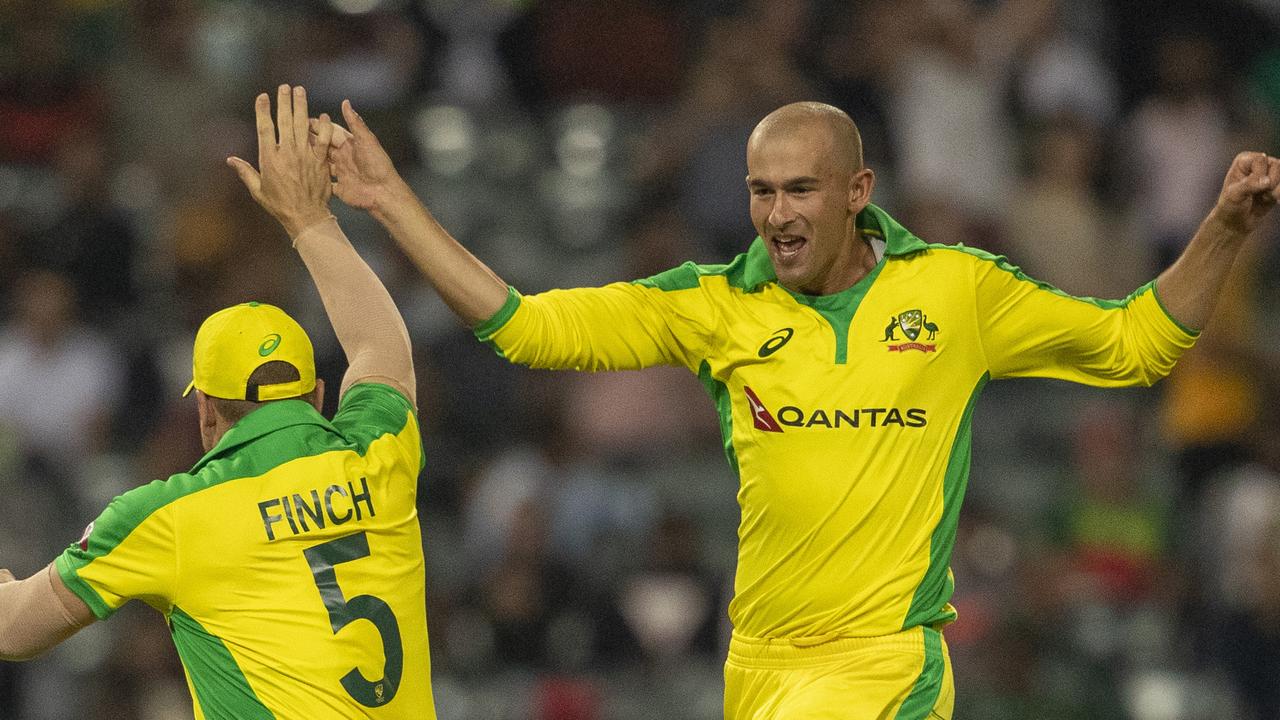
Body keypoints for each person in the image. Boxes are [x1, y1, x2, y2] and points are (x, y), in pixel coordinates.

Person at [321, 97, 1279, 718]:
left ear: (859, 192)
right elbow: (525, 328)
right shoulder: (716, 304)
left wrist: (1224, 229)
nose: (777, 214)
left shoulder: (956, 292)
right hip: (759, 668)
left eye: (802, 190)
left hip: (885, 664)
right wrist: (392, 203)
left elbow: (1138, 344)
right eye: (761, 191)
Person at [0, 85, 438, 719]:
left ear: (205, 409)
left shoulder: (170, 517)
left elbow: (14, 630)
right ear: (316, 394)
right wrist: (309, 220)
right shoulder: (379, 452)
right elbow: (381, 344)